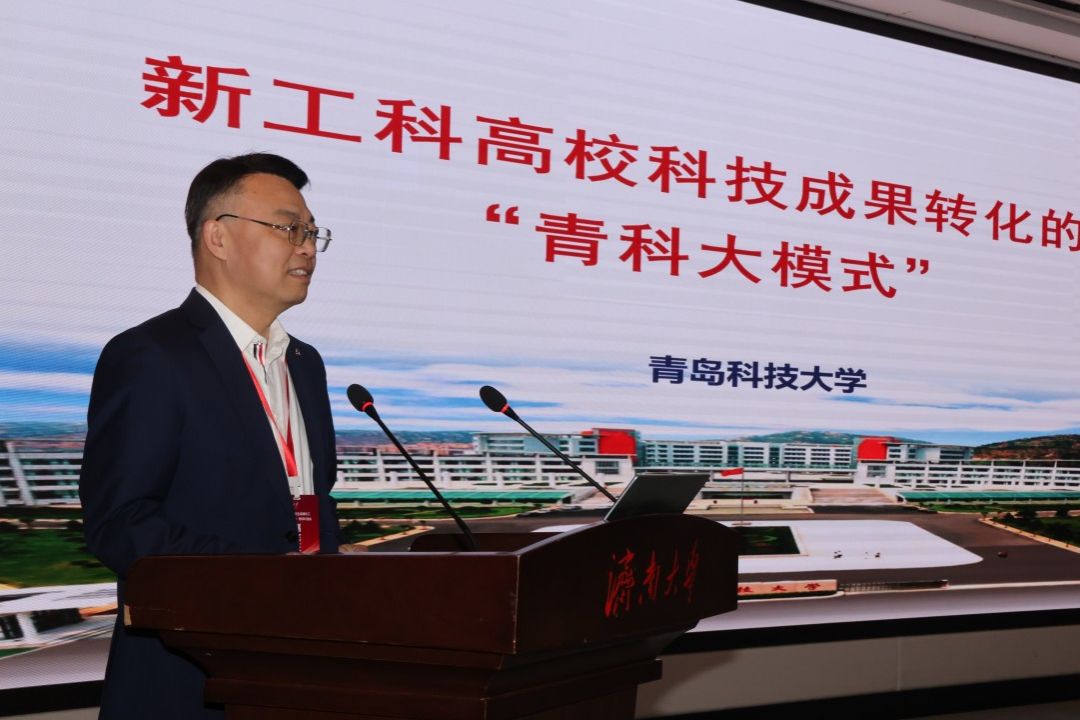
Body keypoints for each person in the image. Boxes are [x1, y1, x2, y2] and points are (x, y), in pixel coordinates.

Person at [79, 153, 341, 719]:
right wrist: (265, 579)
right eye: (288, 228)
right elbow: (121, 521)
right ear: (217, 237)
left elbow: (312, 503)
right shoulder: (151, 355)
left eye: (312, 232)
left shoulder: (305, 363)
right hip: (188, 680)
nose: (307, 248)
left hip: (300, 674)